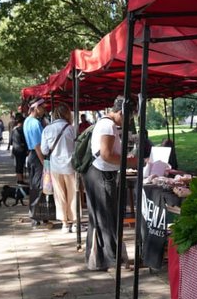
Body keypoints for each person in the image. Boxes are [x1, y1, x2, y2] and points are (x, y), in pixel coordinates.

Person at [83, 96, 137, 270]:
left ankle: (100, 260)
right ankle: (111, 259)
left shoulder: (105, 123)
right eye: (128, 117)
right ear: (121, 112)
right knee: (106, 218)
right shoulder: (108, 125)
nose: (127, 121)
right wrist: (131, 162)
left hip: (98, 174)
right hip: (101, 176)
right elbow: (106, 154)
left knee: (101, 218)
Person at [41, 103, 76, 232]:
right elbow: (77, 148)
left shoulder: (47, 129)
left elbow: (44, 150)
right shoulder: (71, 129)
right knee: (73, 194)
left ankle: (64, 224)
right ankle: (75, 222)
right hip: (71, 166)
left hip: (55, 167)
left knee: (59, 195)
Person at [23, 98, 48, 225]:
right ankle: (35, 216)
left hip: (32, 156)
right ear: (36, 107)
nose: (44, 109)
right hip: (37, 155)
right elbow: (38, 145)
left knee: (34, 185)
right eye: (43, 107)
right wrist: (44, 162)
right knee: (39, 186)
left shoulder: (27, 121)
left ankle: (37, 215)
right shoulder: (35, 123)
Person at [10, 112, 28, 185]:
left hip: (15, 149)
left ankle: (19, 178)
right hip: (21, 150)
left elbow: (11, 140)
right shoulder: (21, 130)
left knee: (18, 165)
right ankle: (20, 180)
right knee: (20, 165)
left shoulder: (14, 130)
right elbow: (24, 140)